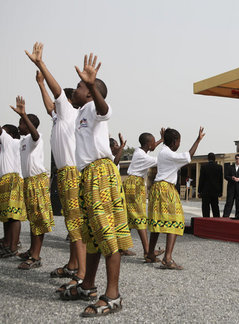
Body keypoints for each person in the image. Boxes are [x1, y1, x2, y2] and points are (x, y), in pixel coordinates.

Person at [60, 54, 133, 319]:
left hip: (100, 174)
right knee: (91, 234)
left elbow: (105, 110)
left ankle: (113, 296)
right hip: (87, 176)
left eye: (80, 87)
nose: (76, 89)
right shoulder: (81, 112)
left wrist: (91, 86)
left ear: (91, 93)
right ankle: (88, 285)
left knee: (106, 234)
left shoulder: (93, 108)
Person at [25, 42, 86, 291]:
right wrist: (39, 84)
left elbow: (57, 92)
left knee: (76, 224)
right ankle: (73, 264)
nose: (55, 105)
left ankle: (81, 273)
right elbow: (50, 104)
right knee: (71, 223)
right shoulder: (60, 117)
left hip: (72, 173)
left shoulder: (70, 112)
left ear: (68, 102)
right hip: (64, 174)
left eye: (60, 101)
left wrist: (41, 64)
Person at [146, 127, 205, 270]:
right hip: (166, 188)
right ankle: (167, 258)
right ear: (174, 142)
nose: (179, 144)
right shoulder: (168, 154)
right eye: (179, 141)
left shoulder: (163, 152)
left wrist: (163, 137)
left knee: (157, 221)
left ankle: (150, 254)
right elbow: (188, 156)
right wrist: (198, 140)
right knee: (176, 221)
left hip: (158, 187)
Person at [10, 97, 55, 270]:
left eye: (21, 123)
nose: (19, 126)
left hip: (37, 181)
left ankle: (36, 257)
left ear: (29, 125)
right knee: (33, 219)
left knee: (38, 219)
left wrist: (24, 115)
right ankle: (31, 250)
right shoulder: (22, 142)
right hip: (28, 182)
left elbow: (34, 133)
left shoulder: (35, 138)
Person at [123, 130, 165, 262]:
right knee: (140, 217)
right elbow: (161, 160)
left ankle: (122, 247)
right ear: (148, 144)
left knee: (130, 216)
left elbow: (151, 148)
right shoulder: (144, 157)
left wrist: (161, 140)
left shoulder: (139, 151)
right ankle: (147, 252)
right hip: (135, 185)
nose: (154, 145)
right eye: (153, 143)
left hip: (133, 183)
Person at [0, 124, 26, 258]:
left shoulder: (10, 141)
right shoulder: (7, 146)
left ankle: (13, 247)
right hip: (6, 180)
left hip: (12, 180)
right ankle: (7, 243)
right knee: (7, 216)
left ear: (9, 134)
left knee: (14, 216)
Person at [223, 154, 239, 218]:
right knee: (229, 203)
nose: (238, 160)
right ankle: (225, 216)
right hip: (231, 188)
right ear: (235, 159)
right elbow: (226, 176)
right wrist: (232, 178)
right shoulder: (230, 167)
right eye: (236, 158)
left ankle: (238, 216)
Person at [198, 152, 223, 218]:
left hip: (205, 191)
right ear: (215, 159)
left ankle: (206, 222)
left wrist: (199, 191)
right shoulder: (219, 167)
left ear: (208, 158)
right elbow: (220, 181)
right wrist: (220, 192)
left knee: (205, 208)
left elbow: (201, 180)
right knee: (215, 208)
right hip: (215, 191)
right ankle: (217, 222)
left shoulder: (204, 167)